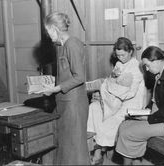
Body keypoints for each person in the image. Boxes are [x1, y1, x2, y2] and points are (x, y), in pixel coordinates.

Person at [115, 46, 164, 165]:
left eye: (148, 65)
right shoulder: (161, 74)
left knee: (128, 133)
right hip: (162, 117)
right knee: (124, 125)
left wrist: (147, 118)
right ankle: (136, 162)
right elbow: (157, 100)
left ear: (157, 61)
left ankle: (129, 163)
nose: (147, 69)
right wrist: (144, 112)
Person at [38, 12, 90, 165]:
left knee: (75, 149)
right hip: (65, 102)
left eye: (48, 32)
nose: (48, 36)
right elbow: (67, 75)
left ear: (55, 29)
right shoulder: (65, 45)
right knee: (66, 147)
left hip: (73, 105)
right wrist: (51, 84)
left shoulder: (72, 44)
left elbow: (79, 77)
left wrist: (55, 89)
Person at [87, 37, 147, 164]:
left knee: (107, 124)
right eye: (118, 55)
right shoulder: (119, 64)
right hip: (115, 101)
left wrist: (106, 88)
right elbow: (111, 80)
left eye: (123, 55)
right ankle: (99, 150)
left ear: (130, 51)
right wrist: (102, 94)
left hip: (130, 105)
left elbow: (129, 93)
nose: (121, 58)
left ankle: (99, 152)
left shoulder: (136, 67)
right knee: (94, 108)